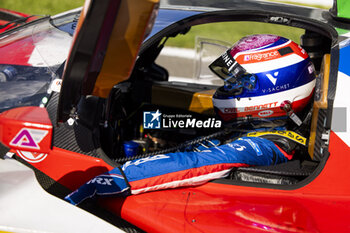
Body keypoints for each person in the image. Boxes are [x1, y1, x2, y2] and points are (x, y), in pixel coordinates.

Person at [65, 34, 316, 205]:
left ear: (273, 93)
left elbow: (197, 162)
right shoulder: (260, 124)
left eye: (238, 83)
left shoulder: (266, 146)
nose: (228, 87)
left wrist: (113, 180)